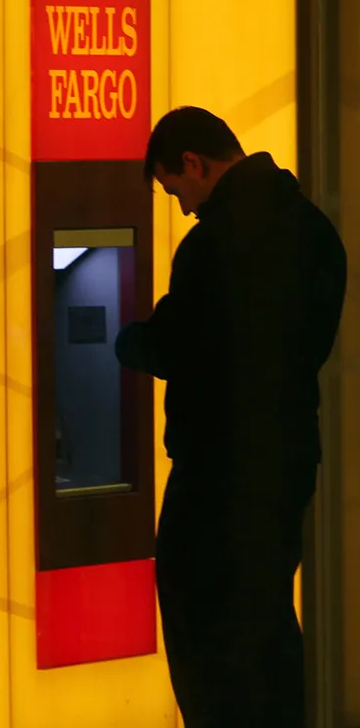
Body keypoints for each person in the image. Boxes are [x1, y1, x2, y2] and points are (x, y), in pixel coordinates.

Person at [115, 106, 346, 728]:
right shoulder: (316, 230)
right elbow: (312, 344)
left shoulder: (216, 241)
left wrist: (126, 339)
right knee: (266, 623)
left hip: (217, 473)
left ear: (194, 163)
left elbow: (175, 342)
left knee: (202, 630)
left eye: (175, 190)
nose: (183, 206)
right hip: (289, 460)